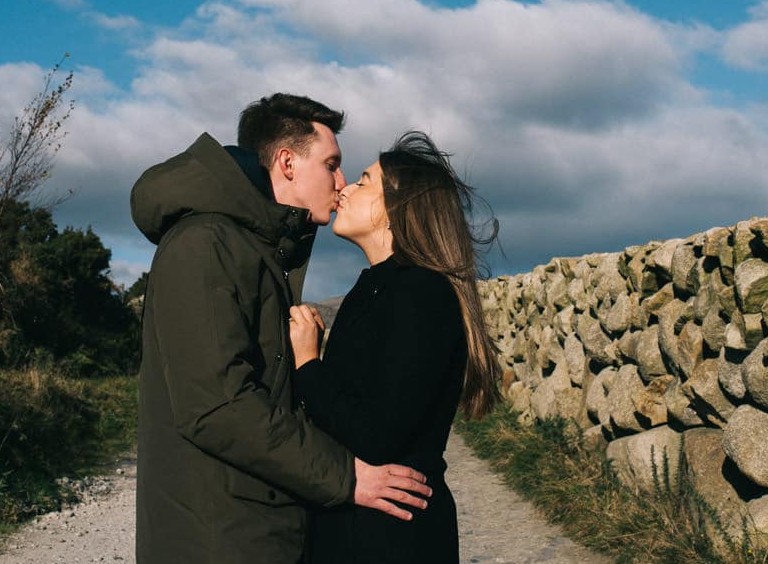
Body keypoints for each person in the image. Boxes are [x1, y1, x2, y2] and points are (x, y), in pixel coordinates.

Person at [131, 94, 433, 564]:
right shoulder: (205, 245)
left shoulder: (257, 248)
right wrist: (347, 477)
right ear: (288, 162)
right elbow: (217, 406)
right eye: (331, 164)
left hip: (257, 530)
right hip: (220, 541)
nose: (341, 181)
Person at [287, 131, 502, 564]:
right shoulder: (378, 288)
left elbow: (377, 433)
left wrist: (309, 363)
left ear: (395, 209)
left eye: (365, 181)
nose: (345, 188)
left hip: (392, 536)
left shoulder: (420, 293)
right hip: (367, 529)